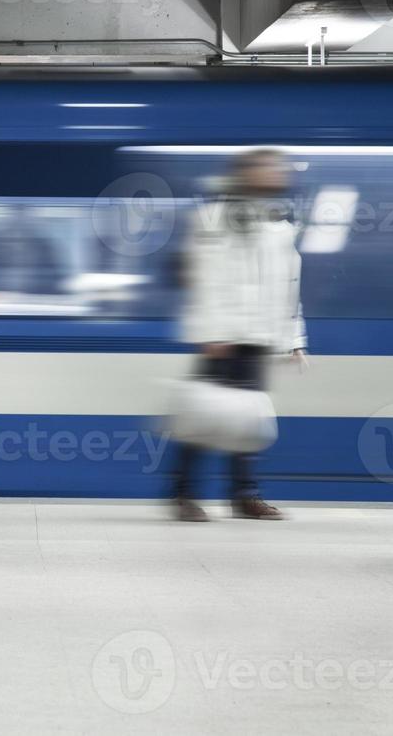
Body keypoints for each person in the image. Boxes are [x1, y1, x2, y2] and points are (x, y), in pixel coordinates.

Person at [173, 148, 307, 522]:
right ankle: (185, 493)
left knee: (244, 421)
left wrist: (294, 338)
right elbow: (205, 276)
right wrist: (213, 332)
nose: (277, 172)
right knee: (204, 418)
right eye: (268, 166)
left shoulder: (277, 221)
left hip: (259, 336)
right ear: (245, 172)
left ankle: (242, 495)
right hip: (226, 335)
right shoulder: (214, 217)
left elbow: (289, 283)